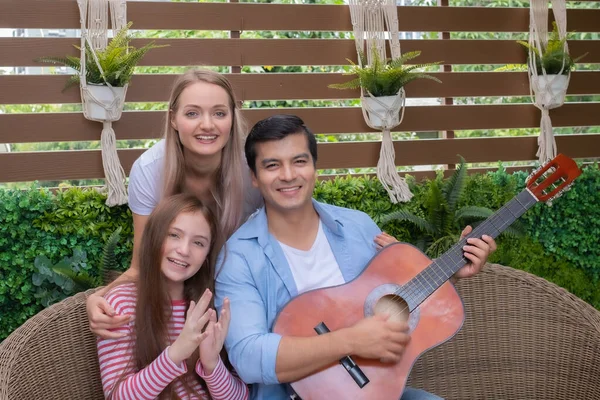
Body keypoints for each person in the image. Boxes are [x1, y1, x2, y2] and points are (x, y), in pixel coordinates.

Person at [214, 114, 497, 400]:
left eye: (299, 161)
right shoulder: (238, 256)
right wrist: (352, 340)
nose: (288, 175)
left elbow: (396, 300)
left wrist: (450, 271)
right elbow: (248, 357)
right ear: (254, 176)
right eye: (272, 165)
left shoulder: (357, 227)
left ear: (314, 167)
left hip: (374, 390)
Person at [88, 69, 262, 338]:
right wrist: (97, 298)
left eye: (219, 113)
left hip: (240, 293)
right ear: (173, 119)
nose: (207, 125)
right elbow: (140, 266)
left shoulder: (251, 172)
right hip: (176, 297)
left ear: (232, 118)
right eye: (192, 113)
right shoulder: (149, 171)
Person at [97, 193, 249, 400]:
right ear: (153, 238)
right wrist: (176, 353)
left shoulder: (208, 307)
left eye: (198, 243)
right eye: (174, 235)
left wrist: (212, 364)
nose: (184, 250)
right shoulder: (122, 303)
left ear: (206, 257)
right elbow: (117, 397)